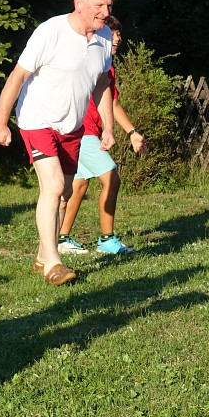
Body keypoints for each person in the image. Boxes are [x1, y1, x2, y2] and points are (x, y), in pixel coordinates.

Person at [0, 0, 117, 286]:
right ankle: (53, 264)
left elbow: (102, 85)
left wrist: (108, 127)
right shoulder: (51, 31)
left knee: (65, 194)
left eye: (109, 6)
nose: (105, 12)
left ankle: (41, 255)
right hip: (37, 120)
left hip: (72, 126)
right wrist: (0, 122)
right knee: (55, 186)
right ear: (79, 3)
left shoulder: (103, 38)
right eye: (99, 5)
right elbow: (18, 76)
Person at [57, 15, 145, 256]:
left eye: (119, 34)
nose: (117, 38)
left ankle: (61, 239)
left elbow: (113, 104)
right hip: (81, 131)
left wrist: (132, 132)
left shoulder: (107, 66)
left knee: (79, 184)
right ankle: (107, 240)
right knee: (111, 178)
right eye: (112, 34)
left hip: (89, 132)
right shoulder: (90, 61)